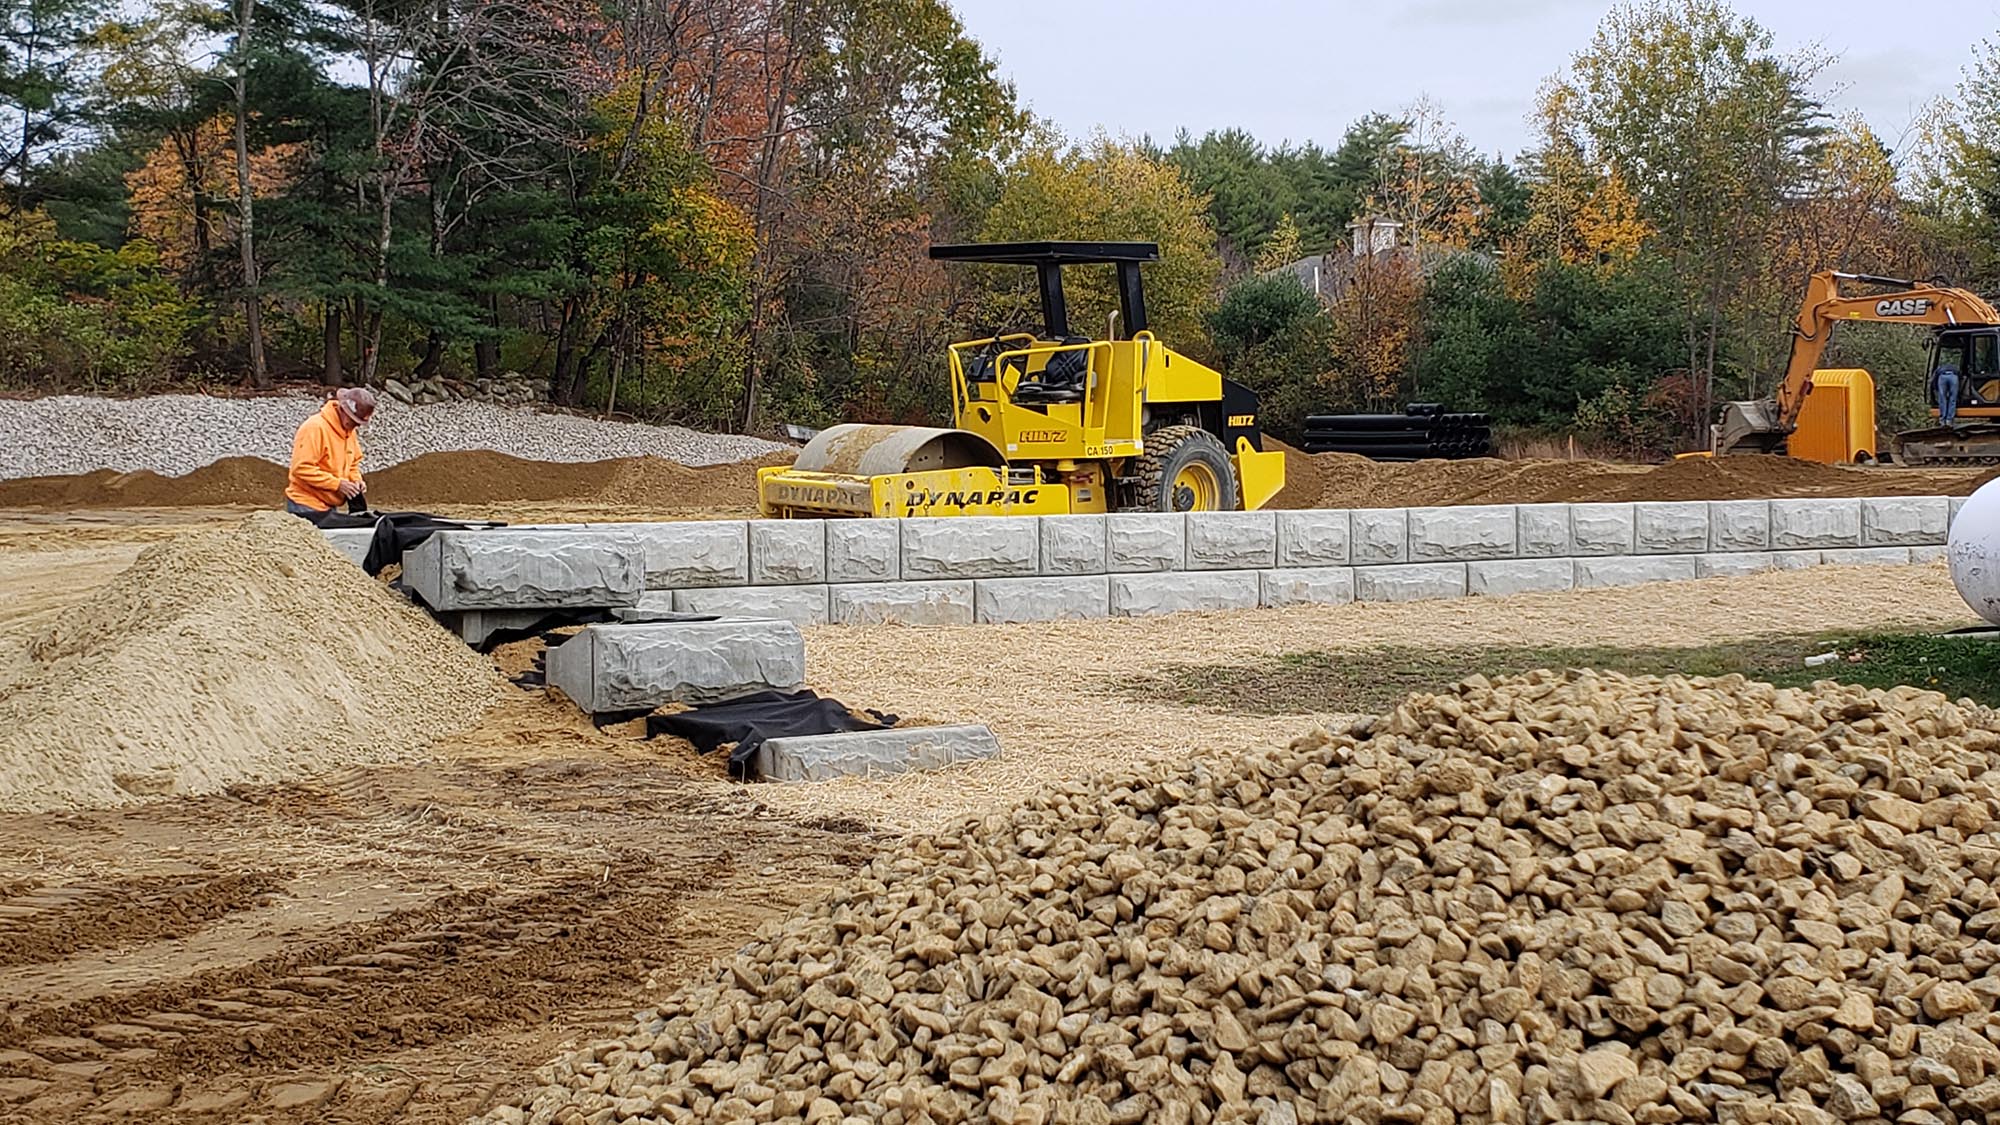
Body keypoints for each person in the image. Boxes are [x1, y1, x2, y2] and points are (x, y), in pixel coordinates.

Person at [285, 386, 374, 523]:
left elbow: (352, 464)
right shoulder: (315, 428)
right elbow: (301, 468)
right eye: (353, 421)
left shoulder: (349, 431)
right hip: (305, 506)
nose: (356, 426)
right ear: (343, 409)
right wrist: (337, 484)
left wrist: (356, 481)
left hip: (329, 506)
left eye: (359, 423)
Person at [1936, 363, 1962, 428]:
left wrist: (1936, 389)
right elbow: (1960, 377)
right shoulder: (1955, 369)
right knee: (1953, 399)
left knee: (1942, 399)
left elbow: (1934, 380)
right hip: (1953, 376)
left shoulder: (1939, 369)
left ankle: (1942, 420)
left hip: (1942, 375)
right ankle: (1949, 420)